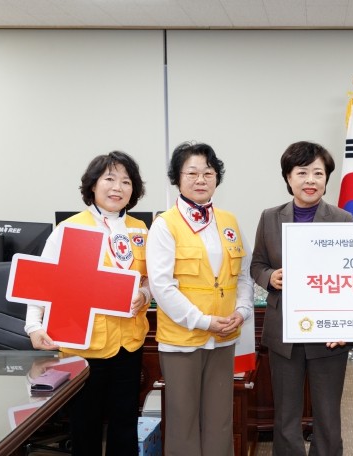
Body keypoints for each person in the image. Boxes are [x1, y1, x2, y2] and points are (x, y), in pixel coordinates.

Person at [25, 151, 150, 456]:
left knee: (124, 423)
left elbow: (151, 280)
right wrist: (33, 325)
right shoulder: (70, 228)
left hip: (128, 344)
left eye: (126, 181)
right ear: (93, 185)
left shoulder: (141, 230)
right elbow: (43, 279)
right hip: (82, 346)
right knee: (85, 425)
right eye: (110, 179)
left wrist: (145, 295)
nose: (117, 187)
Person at [146, 142, 253, 456]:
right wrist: (203, 321)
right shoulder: (165, 224)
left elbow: (243, 275)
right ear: (177, 178)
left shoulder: (229, 221)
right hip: (183, 338)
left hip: (223, 336)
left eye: (208, 173)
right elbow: (162, 287)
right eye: (191, 173)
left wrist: (243, 311)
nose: (201, 179)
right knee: (183, 421)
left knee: (220, 419)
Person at [250, 141, 352, 456]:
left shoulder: (343, 219)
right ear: (288, 177)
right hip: (284, 331)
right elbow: (257, 264)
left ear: (327, 178)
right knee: (286, 415)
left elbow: (352, 276)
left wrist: (346, 325)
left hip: (329, 332)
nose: (310, 180)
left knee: (327, 416)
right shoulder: (270, 217)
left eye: (318, 173)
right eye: (302, 172)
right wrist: (270, 277)